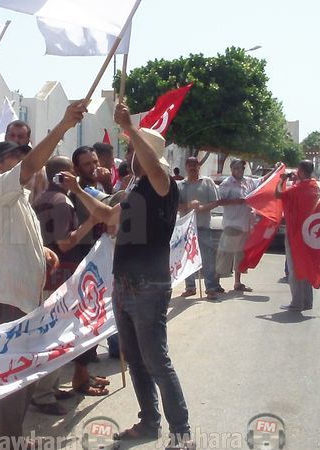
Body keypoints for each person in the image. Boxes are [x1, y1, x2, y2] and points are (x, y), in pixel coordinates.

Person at [62, 102, 194, 450]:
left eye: (136, 150)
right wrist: (78, 190)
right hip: (124, 283)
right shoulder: (137, 189)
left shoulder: (163, 185)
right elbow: (107, 215)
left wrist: (132, 129)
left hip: (148, 285)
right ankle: (149, 421)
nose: (131, 155)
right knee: (134, 359)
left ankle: (182, 434)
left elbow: (152, 167)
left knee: (156, 360)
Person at [0, 101, 86, 450]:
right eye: (14, 157)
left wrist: (42, 252)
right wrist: (63, 125)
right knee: (12, 375)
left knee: (22, 373)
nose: (23, 162)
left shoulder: (20, 200)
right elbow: (31, 166)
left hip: (23, 298)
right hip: (6, 297)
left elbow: (16, 239)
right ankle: (9, 442)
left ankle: (13, 439)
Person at [31, 156, 108, 417]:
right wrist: (91, 222)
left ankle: (49, 388)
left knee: (51, 334)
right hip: (58, 275)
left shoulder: (41, 198)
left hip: (46, 274)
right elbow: (64, 243)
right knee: (55, 337)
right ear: (64, 174)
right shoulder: (62, 201)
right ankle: (43, 394)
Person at [275, 160, 320, 311]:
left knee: (294, 267)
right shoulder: (315, 187)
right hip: (309, 234)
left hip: (296, 233)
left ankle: (297, 302)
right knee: (306, 265)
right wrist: (296, 179)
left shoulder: (298, 188)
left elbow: (278, 194)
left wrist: (282, 180)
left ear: (301, 171)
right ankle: (307, 301)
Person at [178, 156, 223, 299]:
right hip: (186, 229)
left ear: (199, 167)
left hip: (203, 226)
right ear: (186, 167)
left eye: (195, 165)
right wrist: (188, 205)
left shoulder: (207, 182)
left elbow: (215, 202)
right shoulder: (181, 185)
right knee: (187, 258)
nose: (192, 167)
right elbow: (175, 206)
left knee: (207, 258)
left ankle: (210, 288)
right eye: (190, 165)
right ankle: (190, 287)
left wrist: (202, 208)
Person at [216, 158, 259, 292]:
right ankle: (215, 283)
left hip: (245, 225)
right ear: (231, 169)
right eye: (235, 168)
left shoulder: (249, 182)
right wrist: (236, 201)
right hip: (232, 224)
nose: (238, 170)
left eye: (241, 168)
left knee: (240, 255)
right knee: (225, 254)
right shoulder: (227, 183)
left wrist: (275, 170)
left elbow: (263, 182)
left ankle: (237, 282)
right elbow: (220, 201)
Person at [5, 119, 48, 204]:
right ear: (5, 137)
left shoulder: (39, 170)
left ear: (28, 140)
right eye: (12, 135)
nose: (15, 140)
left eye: (20, 137)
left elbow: (41, 203)